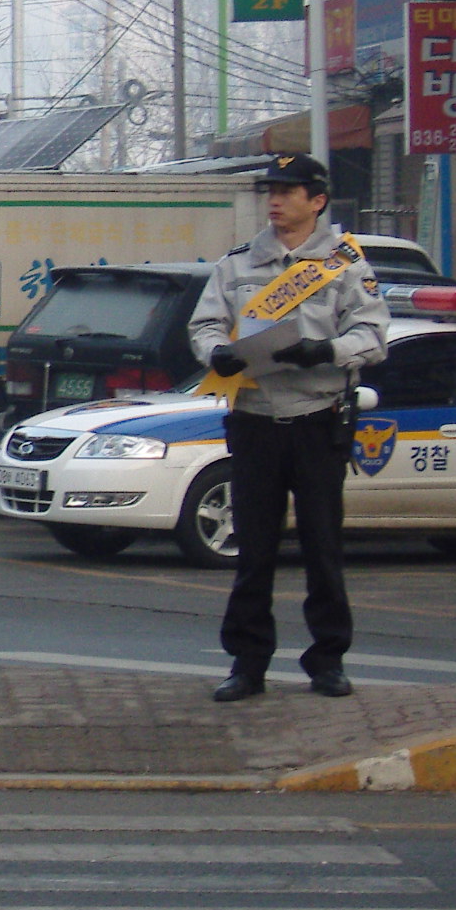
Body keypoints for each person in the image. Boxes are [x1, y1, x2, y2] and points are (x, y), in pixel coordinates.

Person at [186, 154, 389, 703]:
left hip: (317, 420)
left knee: (323, 547)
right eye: (272, 190)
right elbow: (204, 323)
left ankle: (328, 660)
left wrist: (326, 349)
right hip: (254, 421)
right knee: (254, 550)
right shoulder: (238, 264)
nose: (276, 199)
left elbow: (373, 335)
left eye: (289, 190)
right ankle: (247, 664)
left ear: (317, 200)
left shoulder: (343, 264)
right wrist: (217, 354)